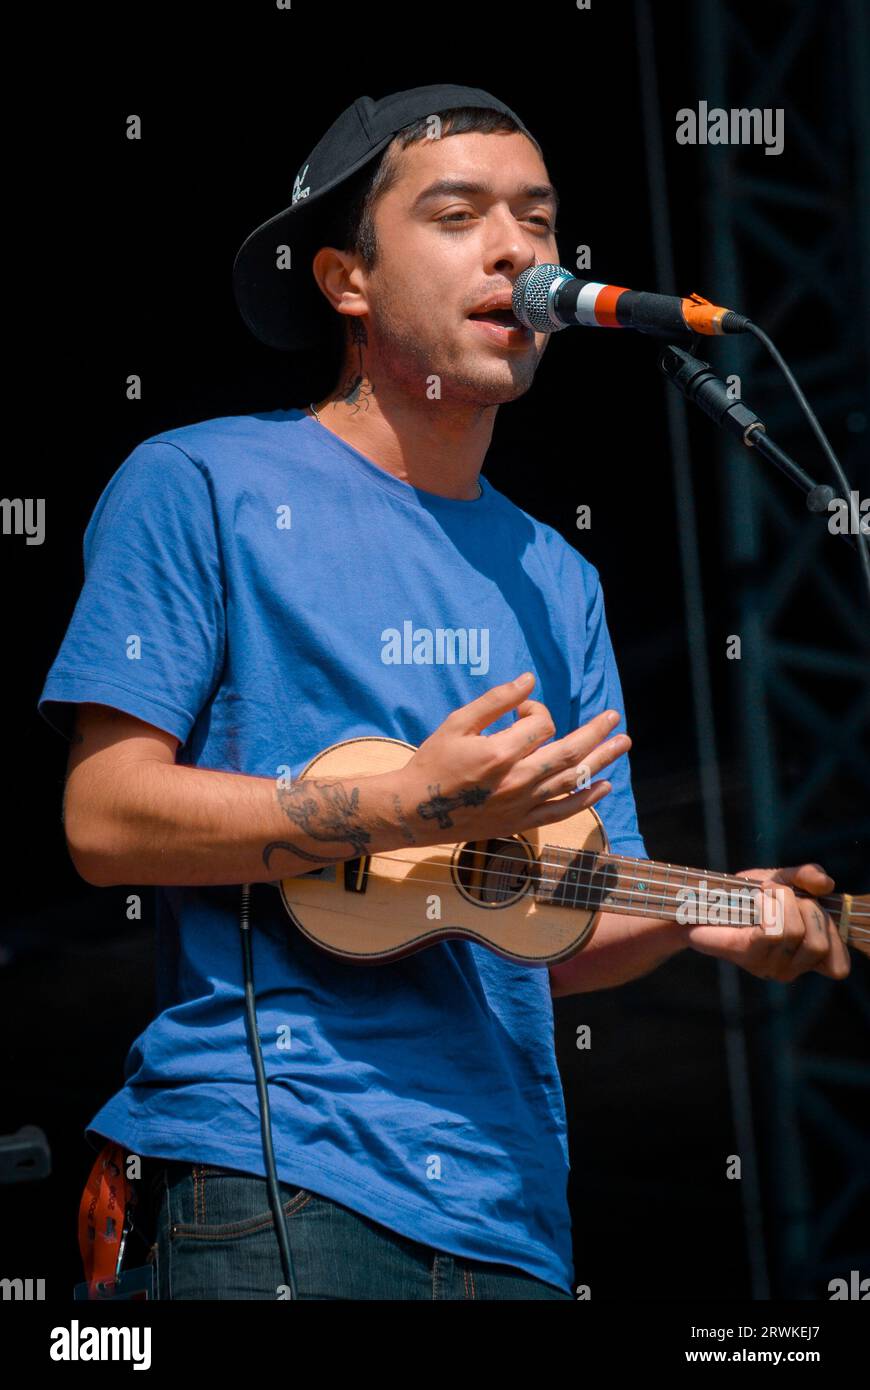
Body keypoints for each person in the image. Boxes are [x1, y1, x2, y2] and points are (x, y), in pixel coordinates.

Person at [38, 85, 849, 1302]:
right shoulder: (200, 479)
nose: (519, 250)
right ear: (345, 281)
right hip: (271, 1187)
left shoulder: (553, 574)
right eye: (459, 214)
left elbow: (556, 933)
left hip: (514, 1221)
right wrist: (409, 803)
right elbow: (103, 820)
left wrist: (706, 911)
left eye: (537, 217)